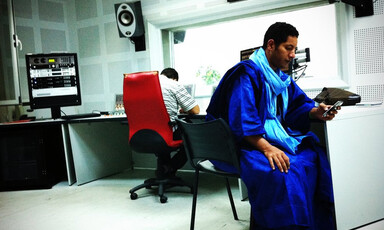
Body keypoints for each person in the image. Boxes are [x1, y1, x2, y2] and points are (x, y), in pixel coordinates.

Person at [206, 22, 339, 230]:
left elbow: (298, 106)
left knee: (314, 158)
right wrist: (268, 148)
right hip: (241, 146)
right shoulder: (246, 74)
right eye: (288, 48)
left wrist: (317, 112)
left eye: (295, 49)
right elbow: (242, 121)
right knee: (284, 172)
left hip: (264, 140)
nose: (293, 54)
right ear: (270, 45)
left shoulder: (281, 79)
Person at [159, 67, 200, 176]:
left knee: (161, 141)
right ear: (175, 79)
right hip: (167, 133)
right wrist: (186, 109)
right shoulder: (173, 84)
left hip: (143, 134)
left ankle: (163, 170)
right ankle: (170, 167)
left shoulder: (145, 86)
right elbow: (196, 110)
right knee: (192, 137)